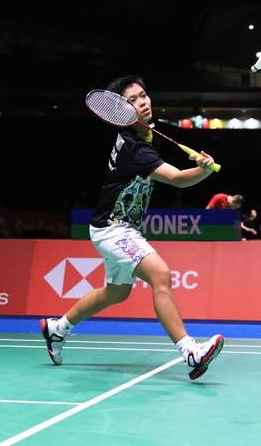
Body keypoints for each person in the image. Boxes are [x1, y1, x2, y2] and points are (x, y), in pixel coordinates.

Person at [40, 76, 224, 380]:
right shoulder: (134, 147)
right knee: (160, 275)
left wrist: (198, 169)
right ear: (120, 111)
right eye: (134, 100)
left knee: (116, 293)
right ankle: (190, 351)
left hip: (118, 227)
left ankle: (57, 329)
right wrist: (203, 171)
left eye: (144, 95)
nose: (144, 101)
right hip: (113, 228)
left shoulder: (144, 136)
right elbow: (177, 178)